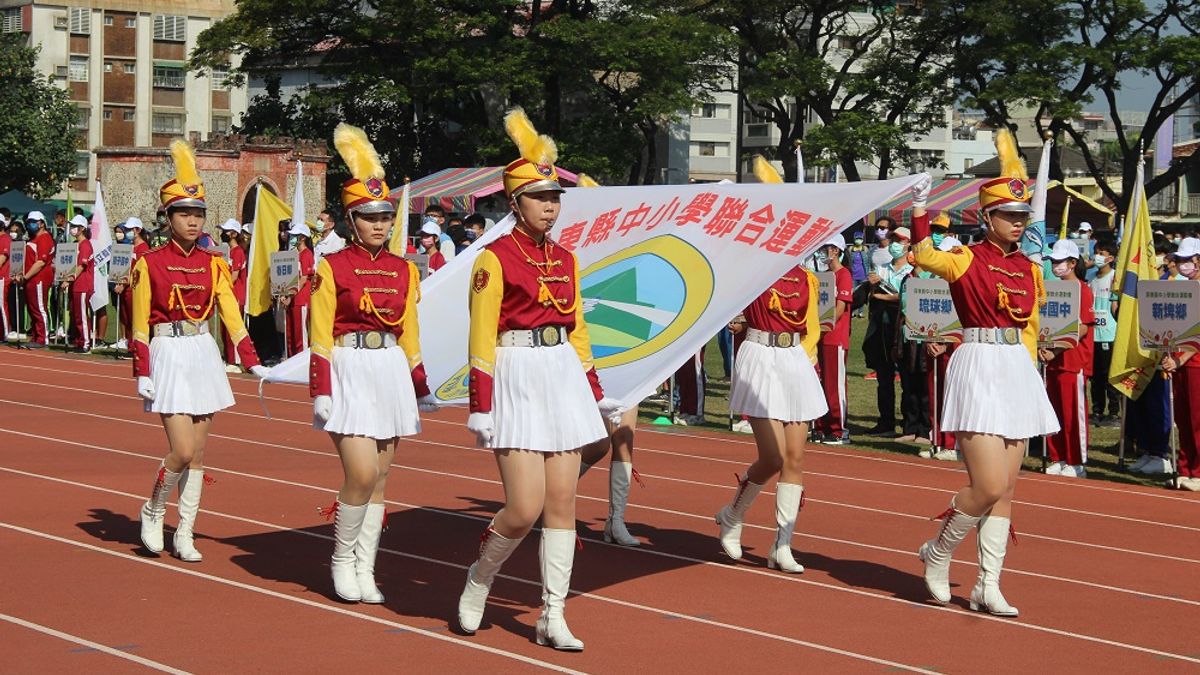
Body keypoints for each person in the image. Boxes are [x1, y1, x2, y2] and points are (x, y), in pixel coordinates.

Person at [457, 108, 621, 651]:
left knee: (562, 503)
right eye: (539, 198)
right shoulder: (493, 259)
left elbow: (577, 331)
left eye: (555, 198)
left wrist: (595, 392)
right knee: (523, 507)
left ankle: (553, 614)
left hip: (561, 375)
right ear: (515, 202)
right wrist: (481, 404)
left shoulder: (568, 259)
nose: (550, 206)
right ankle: (481, 577)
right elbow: (482, 336)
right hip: (517, 373)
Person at [909, 130, 1060, 618]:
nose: (1017, 223)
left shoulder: (1031, 269)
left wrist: (1031, 367)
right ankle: (937, 550)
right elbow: (924, 256)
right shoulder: (966, 258)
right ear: (988, 217)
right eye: (1008, 216)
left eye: (1022, 216)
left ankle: (987, 584)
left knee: (1008, 489)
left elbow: (1032, 325)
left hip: (1016, 365)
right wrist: (920, 211)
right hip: (977, 362)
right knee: (988, 485)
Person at [310, 124, 440, 602]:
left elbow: (409, 331)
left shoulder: (405, 268)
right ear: (351, 220)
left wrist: (420, 384)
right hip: (348, 366)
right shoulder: (332, 266)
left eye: (385, 215)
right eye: (368, 217)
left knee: (382, 477)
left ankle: (367, 567)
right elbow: (320, 333)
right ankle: (342, 559)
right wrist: (320, 390)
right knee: (361, 474)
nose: (379, 224)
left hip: (388, 368)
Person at [131, 140, 269, 561]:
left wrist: (251, 360)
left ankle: (185, 531)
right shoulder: (147, 262)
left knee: (200, 454)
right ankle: (154, 508)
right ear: (168, 217)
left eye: (198, 214)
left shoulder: (214, 263)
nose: (192, 221)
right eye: (184, 213)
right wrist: (142, 369)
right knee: (182, 450)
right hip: (167, 352)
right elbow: (138, 321)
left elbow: (229, 313)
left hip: (201, 351)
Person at [711, 153, 827, 575]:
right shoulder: (753, 267)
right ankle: (733, 515)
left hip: (793, 358)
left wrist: (807, 360)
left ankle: (782, 543)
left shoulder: (807, 277)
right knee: (772, 456)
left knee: (796, 458)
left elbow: (811, 325)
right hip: (759, 355)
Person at [1041, 239, 1095, 478]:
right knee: (1054, 412)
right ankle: (1058, 456)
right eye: (1052, 261)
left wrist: (1057, 350)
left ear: (1073, 263)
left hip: (1073, 361)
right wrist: (1044, 347)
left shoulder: (1083, 290)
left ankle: (1076, 461)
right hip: (1052, 360)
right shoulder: (1050, 290)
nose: (1055, 265)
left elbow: (1082, 327)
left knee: (1073, 413)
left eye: (1059, 261)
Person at [862, 226, 913, 435]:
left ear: (908, 243)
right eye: (893, 239)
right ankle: (886, 422)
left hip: (903, 326)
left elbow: (910, 298)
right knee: (884, 376)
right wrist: (874, 288)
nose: (894, 244)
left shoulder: (912, 270)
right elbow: (871, 296)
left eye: (899, 241)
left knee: (908, 378)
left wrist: (884, 296)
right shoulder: (882, 269)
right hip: (883, 326)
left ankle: (909, 424)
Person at [1159, 237, 1200, 491]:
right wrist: (1168, 355)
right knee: (1183, 419)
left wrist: (1181, 358)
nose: (1183, 264)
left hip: (1195, 363)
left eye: (1188, 260)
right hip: (1180, 363)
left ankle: (1198, 471)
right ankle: (1185, 469)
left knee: (1198, 419)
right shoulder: (1181, 290)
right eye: (1180, 259)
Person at [578, 406, 643, 546]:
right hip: (602, 385)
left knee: (625, 438)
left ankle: (616, 522)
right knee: (600, 445)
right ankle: (552, 488)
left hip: (628, 383)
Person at [813, 233, 853, 444]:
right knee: (819, 382)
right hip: (819, 336)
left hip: (834, 337)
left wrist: (825, 324)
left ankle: (839, 429)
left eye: (826, 248)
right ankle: (822, 425)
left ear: (835, 251)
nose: (822, 252)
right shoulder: (824, 275)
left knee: (834, 384)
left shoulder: (843, 274)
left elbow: (840, 306)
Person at [1089, 241, 1120, 426]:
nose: (1098, 256)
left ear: (1111, 258)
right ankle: (1097, 410)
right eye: (1097, 252)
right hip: (1094, 334)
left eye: (1102, 252)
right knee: (1096, 376)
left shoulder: (1115, 278)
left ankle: (1114, 412)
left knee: (1110, 374)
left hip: (1110, 333)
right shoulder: (1091, 277)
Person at [16, 211, 54, 348]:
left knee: (39, 308)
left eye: (33, 221)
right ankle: (36, 336)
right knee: (33, 309)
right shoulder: (33, 239)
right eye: (28, 222)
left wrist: (26, 276)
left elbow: (41, 262)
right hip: (30, 279)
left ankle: (43, 338)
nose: (29, 224)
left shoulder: (44, 238)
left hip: (39, 279)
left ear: (42, 223)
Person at [114, 218, 150, 351]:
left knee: (135, 320)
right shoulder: (130, 247)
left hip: (135, 289)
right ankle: (131, 346)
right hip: (126, 289)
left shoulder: (143, 248)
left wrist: (123, 284)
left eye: (130, 230)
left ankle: (137, 347)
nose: (128, 232)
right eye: (127, 229)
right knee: (127, 319)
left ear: (138, 230)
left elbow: (137, 272)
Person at [279, 220, 314, 357]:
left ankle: (303, 363)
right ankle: (292, 361)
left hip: (301, 300)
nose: (292, 238)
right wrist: (283, 294)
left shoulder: (307, 255)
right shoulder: (295, 255)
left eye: (295, 236)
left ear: (303, 237)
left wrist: (290, 295)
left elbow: (303, 279)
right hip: (292, 300)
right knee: (291, 334)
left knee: (301, 336)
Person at [62, 214, 96, 353]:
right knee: (76, 315)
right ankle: (80, 341)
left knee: (81, 315)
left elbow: (81, 266)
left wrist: (68, 279)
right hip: (76, 285)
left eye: (75, 226)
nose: (72, 229)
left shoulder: (85, 245)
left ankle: (86, 343)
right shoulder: (78, 245)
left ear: (82, 228)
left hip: (83, 285)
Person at [218, 219, 247, 370]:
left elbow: (234, 276)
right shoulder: (227, 252)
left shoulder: (238, 252)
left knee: (233, 328)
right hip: (226, 295)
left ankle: (235, 360)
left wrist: (219, 283)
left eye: (226, 231)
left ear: (234, 233)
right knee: (224, 330)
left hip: (235, 295)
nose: (223, 233)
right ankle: (228, 358)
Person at [0, 214, 11, 340]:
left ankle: (6, 333)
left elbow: (2, 258)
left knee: (2, 305)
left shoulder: (5, 239)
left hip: (2, 277)